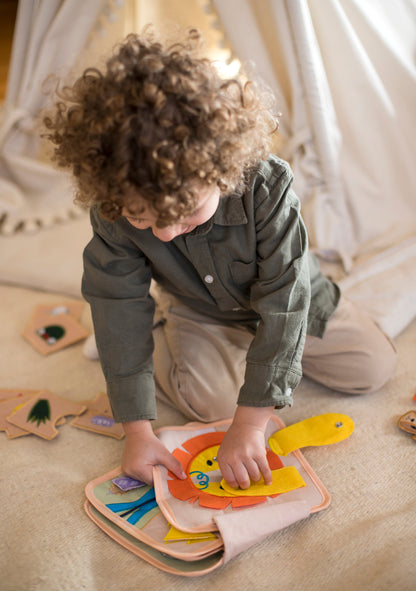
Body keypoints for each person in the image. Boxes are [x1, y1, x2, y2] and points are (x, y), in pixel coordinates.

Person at [44, 29, 396, 491]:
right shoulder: (113, 206)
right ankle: (169, 327)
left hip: (290, 296)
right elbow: (117, 303)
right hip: (198, 306)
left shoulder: (268, 185)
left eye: (185, 212)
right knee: (211, 406)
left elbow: (286, 298)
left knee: (373, 369)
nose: (166, 232)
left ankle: (261, 360)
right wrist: (137, 430)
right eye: (142, 217)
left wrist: (251, 422)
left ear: (224, 170)